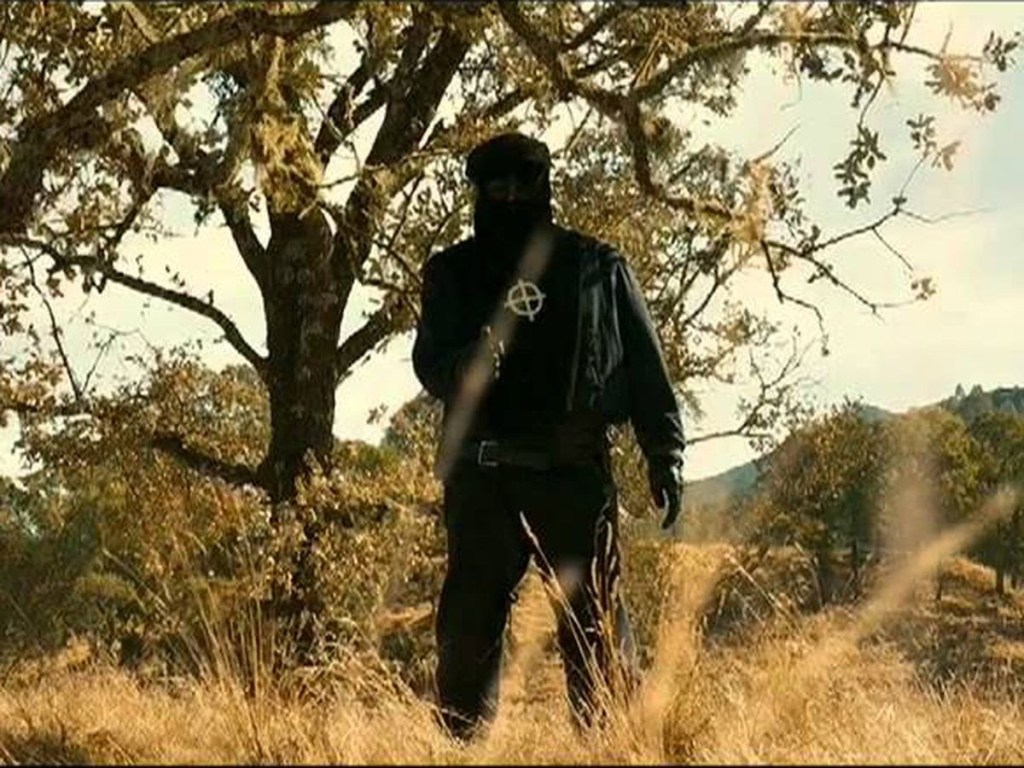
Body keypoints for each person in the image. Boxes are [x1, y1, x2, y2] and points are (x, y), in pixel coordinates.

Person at [411, 132, 685, 739]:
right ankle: (459, 751)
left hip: (572, 478)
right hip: (482, 479)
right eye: (497, 186)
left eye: (522, 183)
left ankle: (611, 752)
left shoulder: (596, 267)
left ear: (544, 185)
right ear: (478, 192)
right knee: (466, 639)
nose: (510, 197)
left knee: (597, 636)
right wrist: (469, 364)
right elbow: (429, 363)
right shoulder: (452, 273)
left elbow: (645, 365)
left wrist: (664, 452)